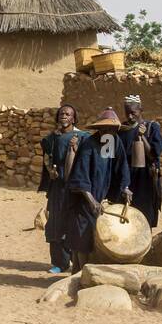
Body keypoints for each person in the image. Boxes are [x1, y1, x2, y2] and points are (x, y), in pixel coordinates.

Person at [65, 108, 132, 271]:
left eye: (113, 129)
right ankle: (78, 272)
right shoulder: (89, 145)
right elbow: (81, 176)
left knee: (99, 237)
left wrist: (125, 187)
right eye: (106, 129)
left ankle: (85, 272)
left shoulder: (114, 142)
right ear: (100, 129)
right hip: (85, 199)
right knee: (83, 236)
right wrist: (92, 200)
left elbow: (120, 169)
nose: (109, 132)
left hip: (103, 199)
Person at [38, 104, 86, 273]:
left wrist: (76, 147)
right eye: (61, 114)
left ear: (74, 118)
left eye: (68, 114)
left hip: (75, 188)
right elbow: (47, 158)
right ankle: (60, 263)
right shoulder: (53, 138)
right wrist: (51, 170)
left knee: (74, 224)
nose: (64, 116)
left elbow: (87, 160)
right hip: (58, 189)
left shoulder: (82, 137)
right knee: (56, 224)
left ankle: (77, 262)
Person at [118, 95, 162, 228]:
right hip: (127, 179)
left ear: (141, 110)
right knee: (126, 218)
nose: (130, 117)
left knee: (144, 218)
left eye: (133, 113)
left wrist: (142, 137)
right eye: (127, 113)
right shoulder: (121, 130)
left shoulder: (151, 127)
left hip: (145, 181)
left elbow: (153, 155)